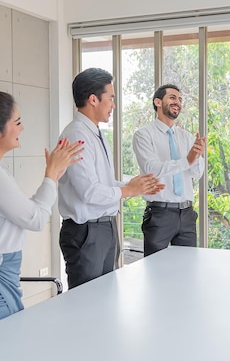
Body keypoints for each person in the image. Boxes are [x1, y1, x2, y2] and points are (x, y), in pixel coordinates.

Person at [0, 85, 83, 335]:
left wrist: (53, 176)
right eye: (17, 122)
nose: (22, 128)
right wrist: (51, 176)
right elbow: (34, 219)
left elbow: (27, 212)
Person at [58, 68, 164, 288]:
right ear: (93, 99)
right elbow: (88, 192)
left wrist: (134, 185)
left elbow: (102, 184)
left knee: (105, 298)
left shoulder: (95, 132)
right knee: (88, 303)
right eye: (111, 98)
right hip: (86, 232)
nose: (114, 105)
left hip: (104, 228)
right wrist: (129, 191)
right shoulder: (77, 134)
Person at [132, 84, 206, 256]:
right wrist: (186, 160)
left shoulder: (187, 137)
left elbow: (196, 174)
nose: (178, 102)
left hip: (187, 214)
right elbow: (151, 168)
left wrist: (196, 157)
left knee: (187, 270)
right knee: (155, 272)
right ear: (157, 102)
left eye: (180, 99)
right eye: (172, 97)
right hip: (159, 214)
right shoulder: (144, 134)